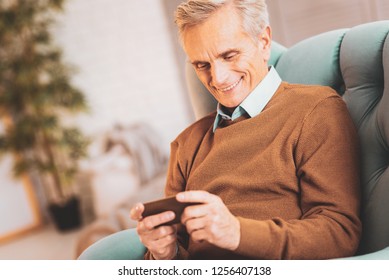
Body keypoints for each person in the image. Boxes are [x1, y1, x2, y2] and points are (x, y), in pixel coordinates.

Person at [130, 0, 361, 260]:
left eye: (229, 56)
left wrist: (237, 233)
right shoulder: (186, 145)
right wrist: (163, 253)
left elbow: (339, 233)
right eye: (202, 65)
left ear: (263, 42)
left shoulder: (315, 111)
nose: (218, 78)